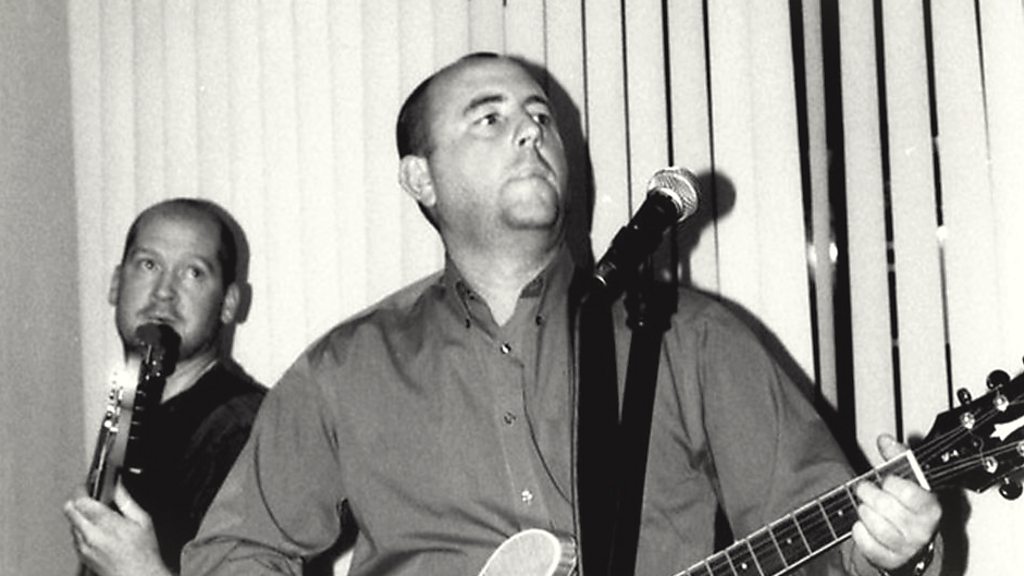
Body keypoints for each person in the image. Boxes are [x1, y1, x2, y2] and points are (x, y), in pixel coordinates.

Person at [182, 53, 942, 576]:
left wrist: (887, 552)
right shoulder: (348, 369)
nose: (531, 131)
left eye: (541, 116)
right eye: (489, 118)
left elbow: (824, 535)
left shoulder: (689, 339)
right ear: (421, 178)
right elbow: (231, 553)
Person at [64, 198, 267, 576]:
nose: (164, 291)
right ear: (116, 284)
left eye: (193, 272)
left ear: (228, 303)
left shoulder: (246, 433)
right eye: (149, 264)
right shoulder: (133, 402)